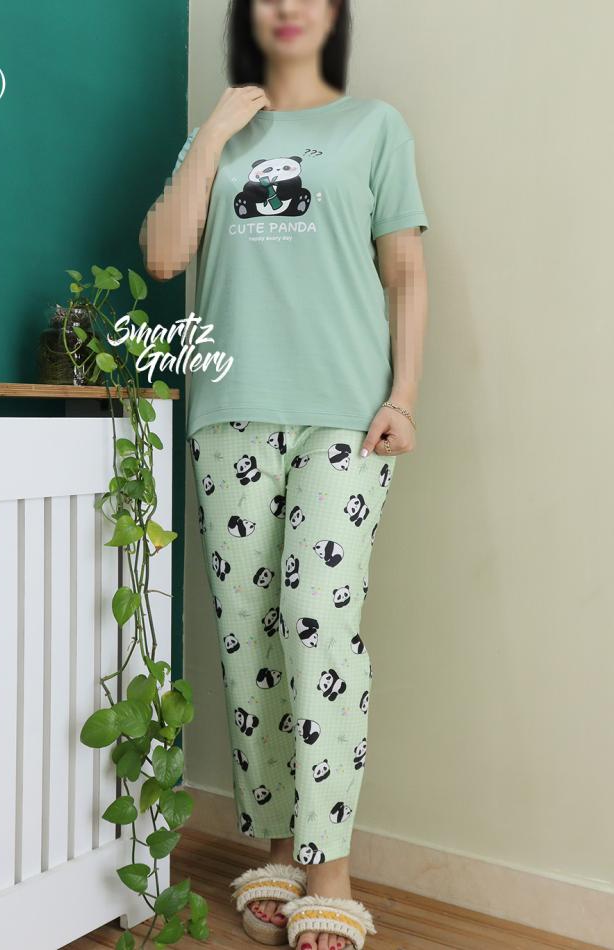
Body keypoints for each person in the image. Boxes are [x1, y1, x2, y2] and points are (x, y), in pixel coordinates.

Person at [140, 1, 430, 947]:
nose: (289, 5)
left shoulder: (374, 126)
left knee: (317, 622)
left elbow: (405, 272)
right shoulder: (220, 135)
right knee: (248, 635)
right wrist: (216, 130)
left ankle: (330, 870)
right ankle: (277, 846)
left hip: (345, 414)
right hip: (229, 411)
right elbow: (163, 256)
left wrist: (404, 396)